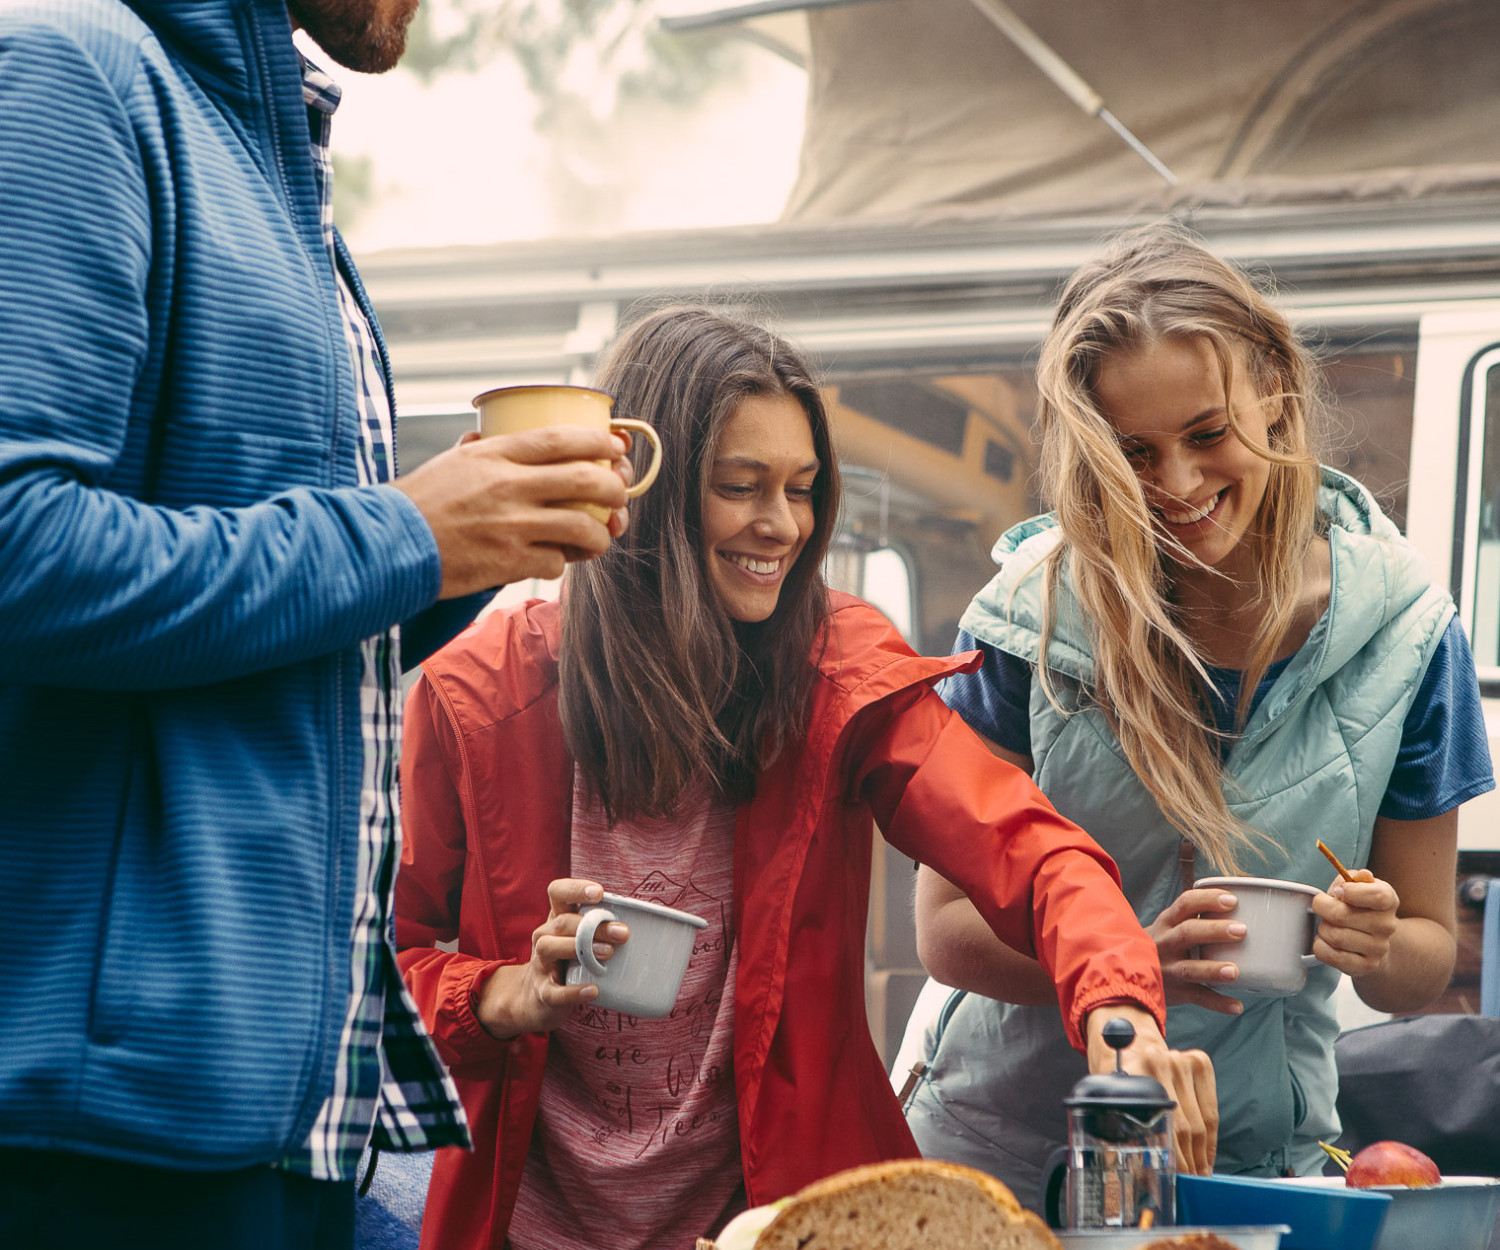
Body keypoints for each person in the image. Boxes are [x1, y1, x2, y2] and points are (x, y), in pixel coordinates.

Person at [0, 0, 635, 1244]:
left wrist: (455, 556)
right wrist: (405, 534)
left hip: (290, 1125)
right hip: (107, 1141)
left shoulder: (277, 174)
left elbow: (267, 646)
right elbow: (20, 548)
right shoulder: (74, 77)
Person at [394, 303, 1212, 1250]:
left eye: (803, 487)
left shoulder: (841, 673)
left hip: (784, 1225)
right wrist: (506, 996)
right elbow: (391, 967)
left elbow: (1026, 849)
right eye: (741, 486)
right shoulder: (474, 698)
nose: (780, 525)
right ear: (644, 492)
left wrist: (1120, 1008)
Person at [905, 225, 1494, 1210]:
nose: (1177, 484)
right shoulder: (1026, 618)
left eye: (1207, 433)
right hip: (1004, 1163)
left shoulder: (1409, 632)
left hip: (1250, 1163)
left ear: (1272, 387)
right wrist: (1130, 963)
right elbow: (948, 929)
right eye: (1133, 451)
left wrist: (1376, 939)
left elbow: (1419, 958)